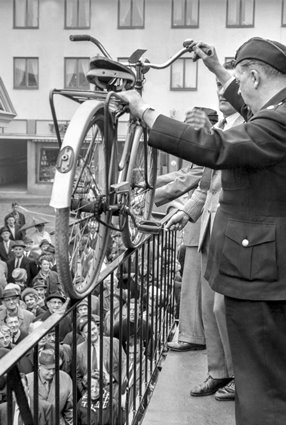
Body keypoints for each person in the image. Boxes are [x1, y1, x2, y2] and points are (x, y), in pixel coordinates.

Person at [117, 36, 286, 425]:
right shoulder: (277, 108)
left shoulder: (277, 121)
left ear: (257, 76)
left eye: (242, 81)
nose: (238, 92)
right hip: (262, 269)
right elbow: (248, 103)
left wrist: (146, 112)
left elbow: (212, 147)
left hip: (261, 273)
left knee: (262, 387)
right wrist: (218, 69)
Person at [27, 348, 73, 425]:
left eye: (54, 368)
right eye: (48, 369)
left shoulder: (65, 378)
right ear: (39, 366)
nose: (52, 372)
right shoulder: (27, 381)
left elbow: (70, 409)